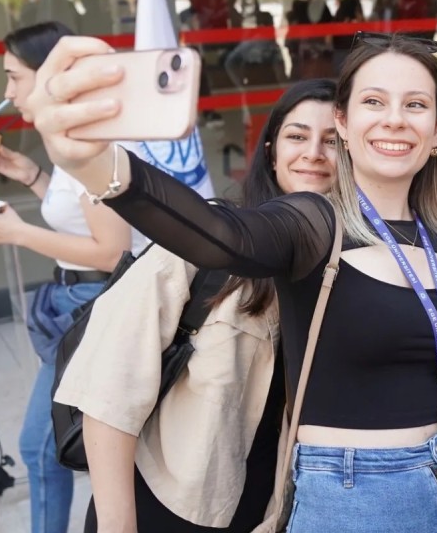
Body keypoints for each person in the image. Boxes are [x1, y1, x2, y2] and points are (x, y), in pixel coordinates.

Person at [26, 34, 437, 533]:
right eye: (374, 101)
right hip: (351, 499)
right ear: (344, 120)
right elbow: (220, 236)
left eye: (416, 104)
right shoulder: (313, 223)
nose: (395, 120)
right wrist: (94, 164)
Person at [55, 79, 340, 533]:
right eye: (297, 136)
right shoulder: (204, 241)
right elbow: (108, 389)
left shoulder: (357, 263)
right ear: (270, 150)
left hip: (270, 509)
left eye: (333, 140)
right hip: (167, 504)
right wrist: (116, 524)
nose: (314, 153)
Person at [0, 21, 135, 533]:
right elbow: (83, 209)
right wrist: (30, 176)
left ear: (52, 74)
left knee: (43, 447)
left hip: (94, 303)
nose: (7, 93)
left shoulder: (88, 145)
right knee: (48, 445)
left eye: (13, 77)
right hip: (77, 300)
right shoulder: (68, 145)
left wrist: (18, 233)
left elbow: (112, 248)